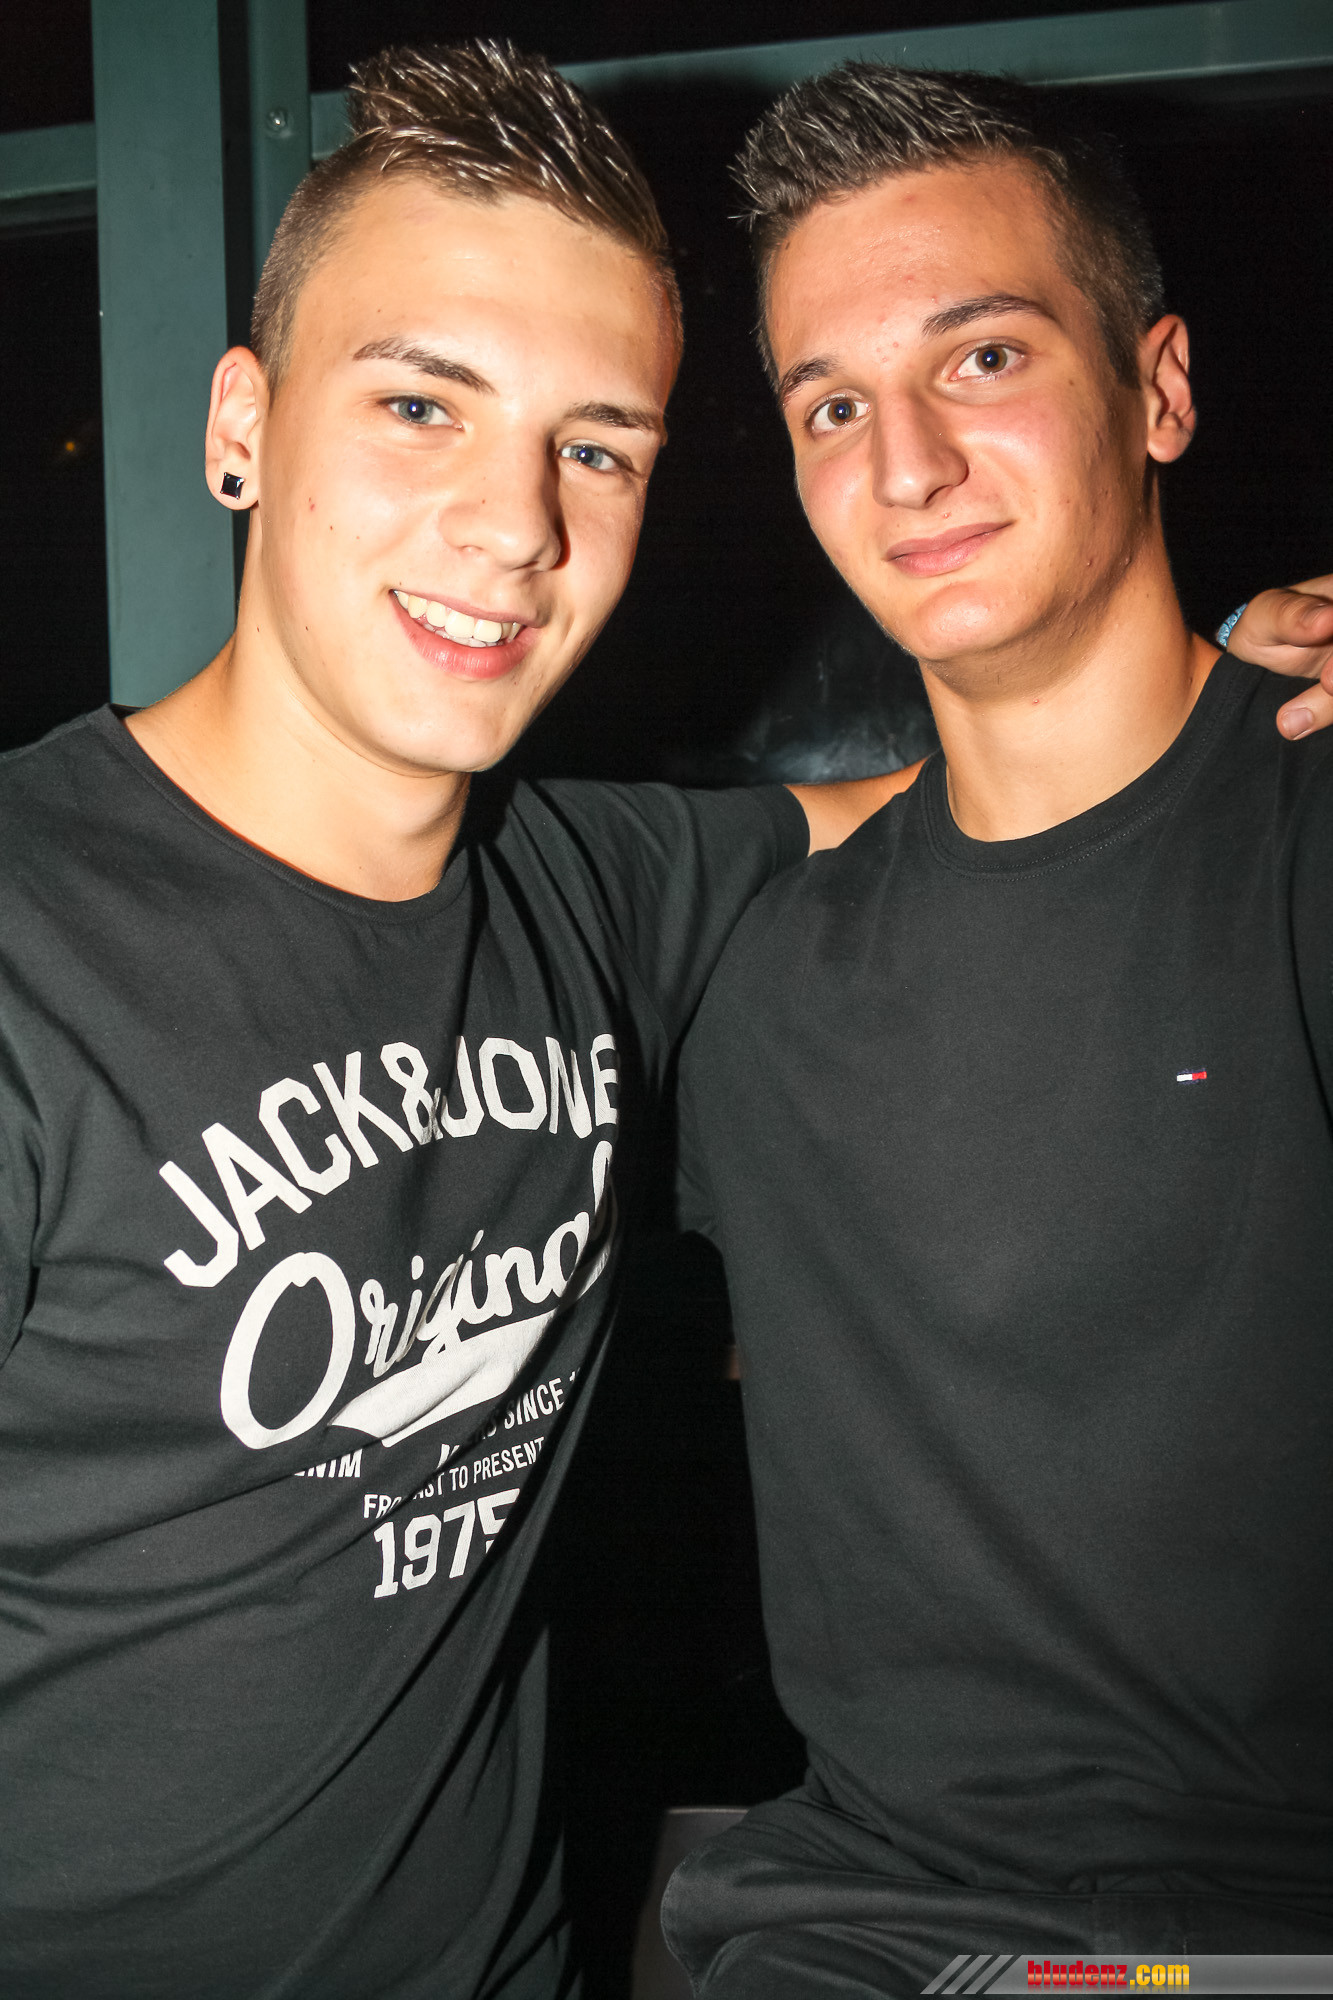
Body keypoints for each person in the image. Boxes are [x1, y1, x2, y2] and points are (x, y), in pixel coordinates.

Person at [0, 35, 1322, 2000]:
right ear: (242, 425)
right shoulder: (33, 942)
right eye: (421, 405)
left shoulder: (600, 890)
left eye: (596, 447)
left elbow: (999, 793)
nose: (512, 524)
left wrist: (1230, 667)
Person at [666, 62, 1333, 1996]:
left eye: (979, 359)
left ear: (1158, 388)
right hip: (868, 1932)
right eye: (830, 405)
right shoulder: (746, 974)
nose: (905, 468)